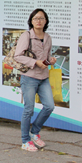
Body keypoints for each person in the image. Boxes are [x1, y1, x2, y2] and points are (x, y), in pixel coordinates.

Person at [14, 8, 57, 152]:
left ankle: (35, 131)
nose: (39, 21)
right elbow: (18, 56)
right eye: (36, 18)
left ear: (46, 21)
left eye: (41, 18)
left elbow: (46, 57)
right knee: (29, 109)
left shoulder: (48, 37)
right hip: (29, 78)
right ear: (31, 21)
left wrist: (50, 60)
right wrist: (35, 62)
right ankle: (25, 140)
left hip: (43, 77)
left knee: (49, 106)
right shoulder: (26, 36)